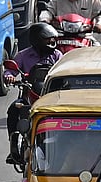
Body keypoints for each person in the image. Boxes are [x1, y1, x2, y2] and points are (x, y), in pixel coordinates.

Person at [5, 23, 62, 163]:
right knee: (13, 110)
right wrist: (9, 76)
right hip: (28, 97)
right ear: (37, 39)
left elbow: (65, 69)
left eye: (53, 39)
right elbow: (10, 70)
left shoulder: (57, 55)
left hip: (52, 97)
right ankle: (14, 147)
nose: (51, 43)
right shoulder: (23, 55)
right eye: (47, 39)